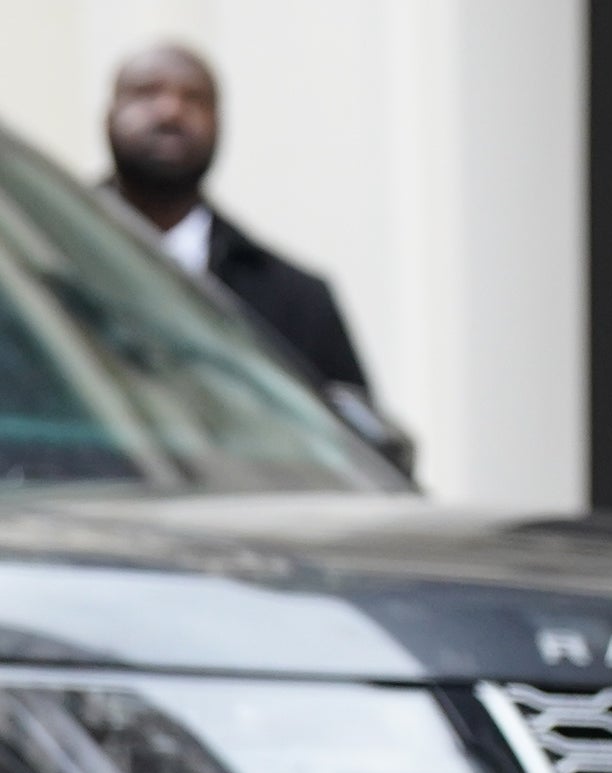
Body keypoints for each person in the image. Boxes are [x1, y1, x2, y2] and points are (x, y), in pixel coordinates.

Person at [104, 42, 414, 473]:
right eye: (146, 92)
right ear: (108, 113)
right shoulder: (36, 272)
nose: (171, 111)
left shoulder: (298, 300)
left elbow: (358, 457)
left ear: (220, 122)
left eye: (195, 98)